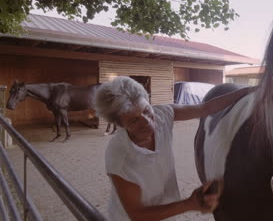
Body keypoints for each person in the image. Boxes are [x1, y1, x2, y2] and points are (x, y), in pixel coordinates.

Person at [95, 76, 252, 221]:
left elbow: (206, 108)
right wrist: (190, 204)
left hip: (167, 212)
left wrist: (247, 91)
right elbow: (137, 214)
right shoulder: (120, 157)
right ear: (120, 125)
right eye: (134, 120)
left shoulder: (162, 114)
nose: (146, 122)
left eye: (146, 110)